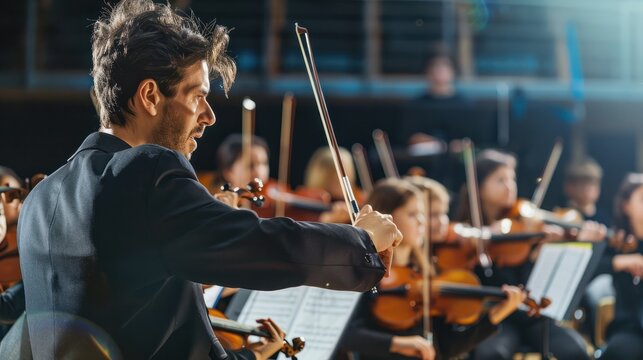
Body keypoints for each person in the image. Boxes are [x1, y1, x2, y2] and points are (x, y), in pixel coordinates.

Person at [17, 1, 402, 359]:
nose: (209, 116)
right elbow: (261, 246)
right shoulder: (146, 169)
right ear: (150, 95)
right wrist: (361, 241)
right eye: (197, 96)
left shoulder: (41, 199)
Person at [340, 178, 524, 360]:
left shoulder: (425, 273)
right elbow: (344, 334)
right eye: (412, 214)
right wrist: (395, 343)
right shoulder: (365, 273)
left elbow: (445, 348)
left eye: (421, 214)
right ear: (386, 219)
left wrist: (495, 315)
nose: (422, 222)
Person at [455, 150, 597, 360]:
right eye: (500, 180)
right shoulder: (467, 232)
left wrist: (542, 253)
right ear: (479, 186)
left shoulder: (526, 225)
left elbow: (531, 282)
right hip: (496, 316)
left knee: (575, 350)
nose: (509, 186)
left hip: (533, 314)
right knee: (491, 354)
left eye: (511, 178)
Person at [600, 173, 643, 360]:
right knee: (619, 353)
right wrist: (619, 262)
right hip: (630, 326)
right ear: (626, 206)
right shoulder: (616, 244)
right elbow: (589, 270)